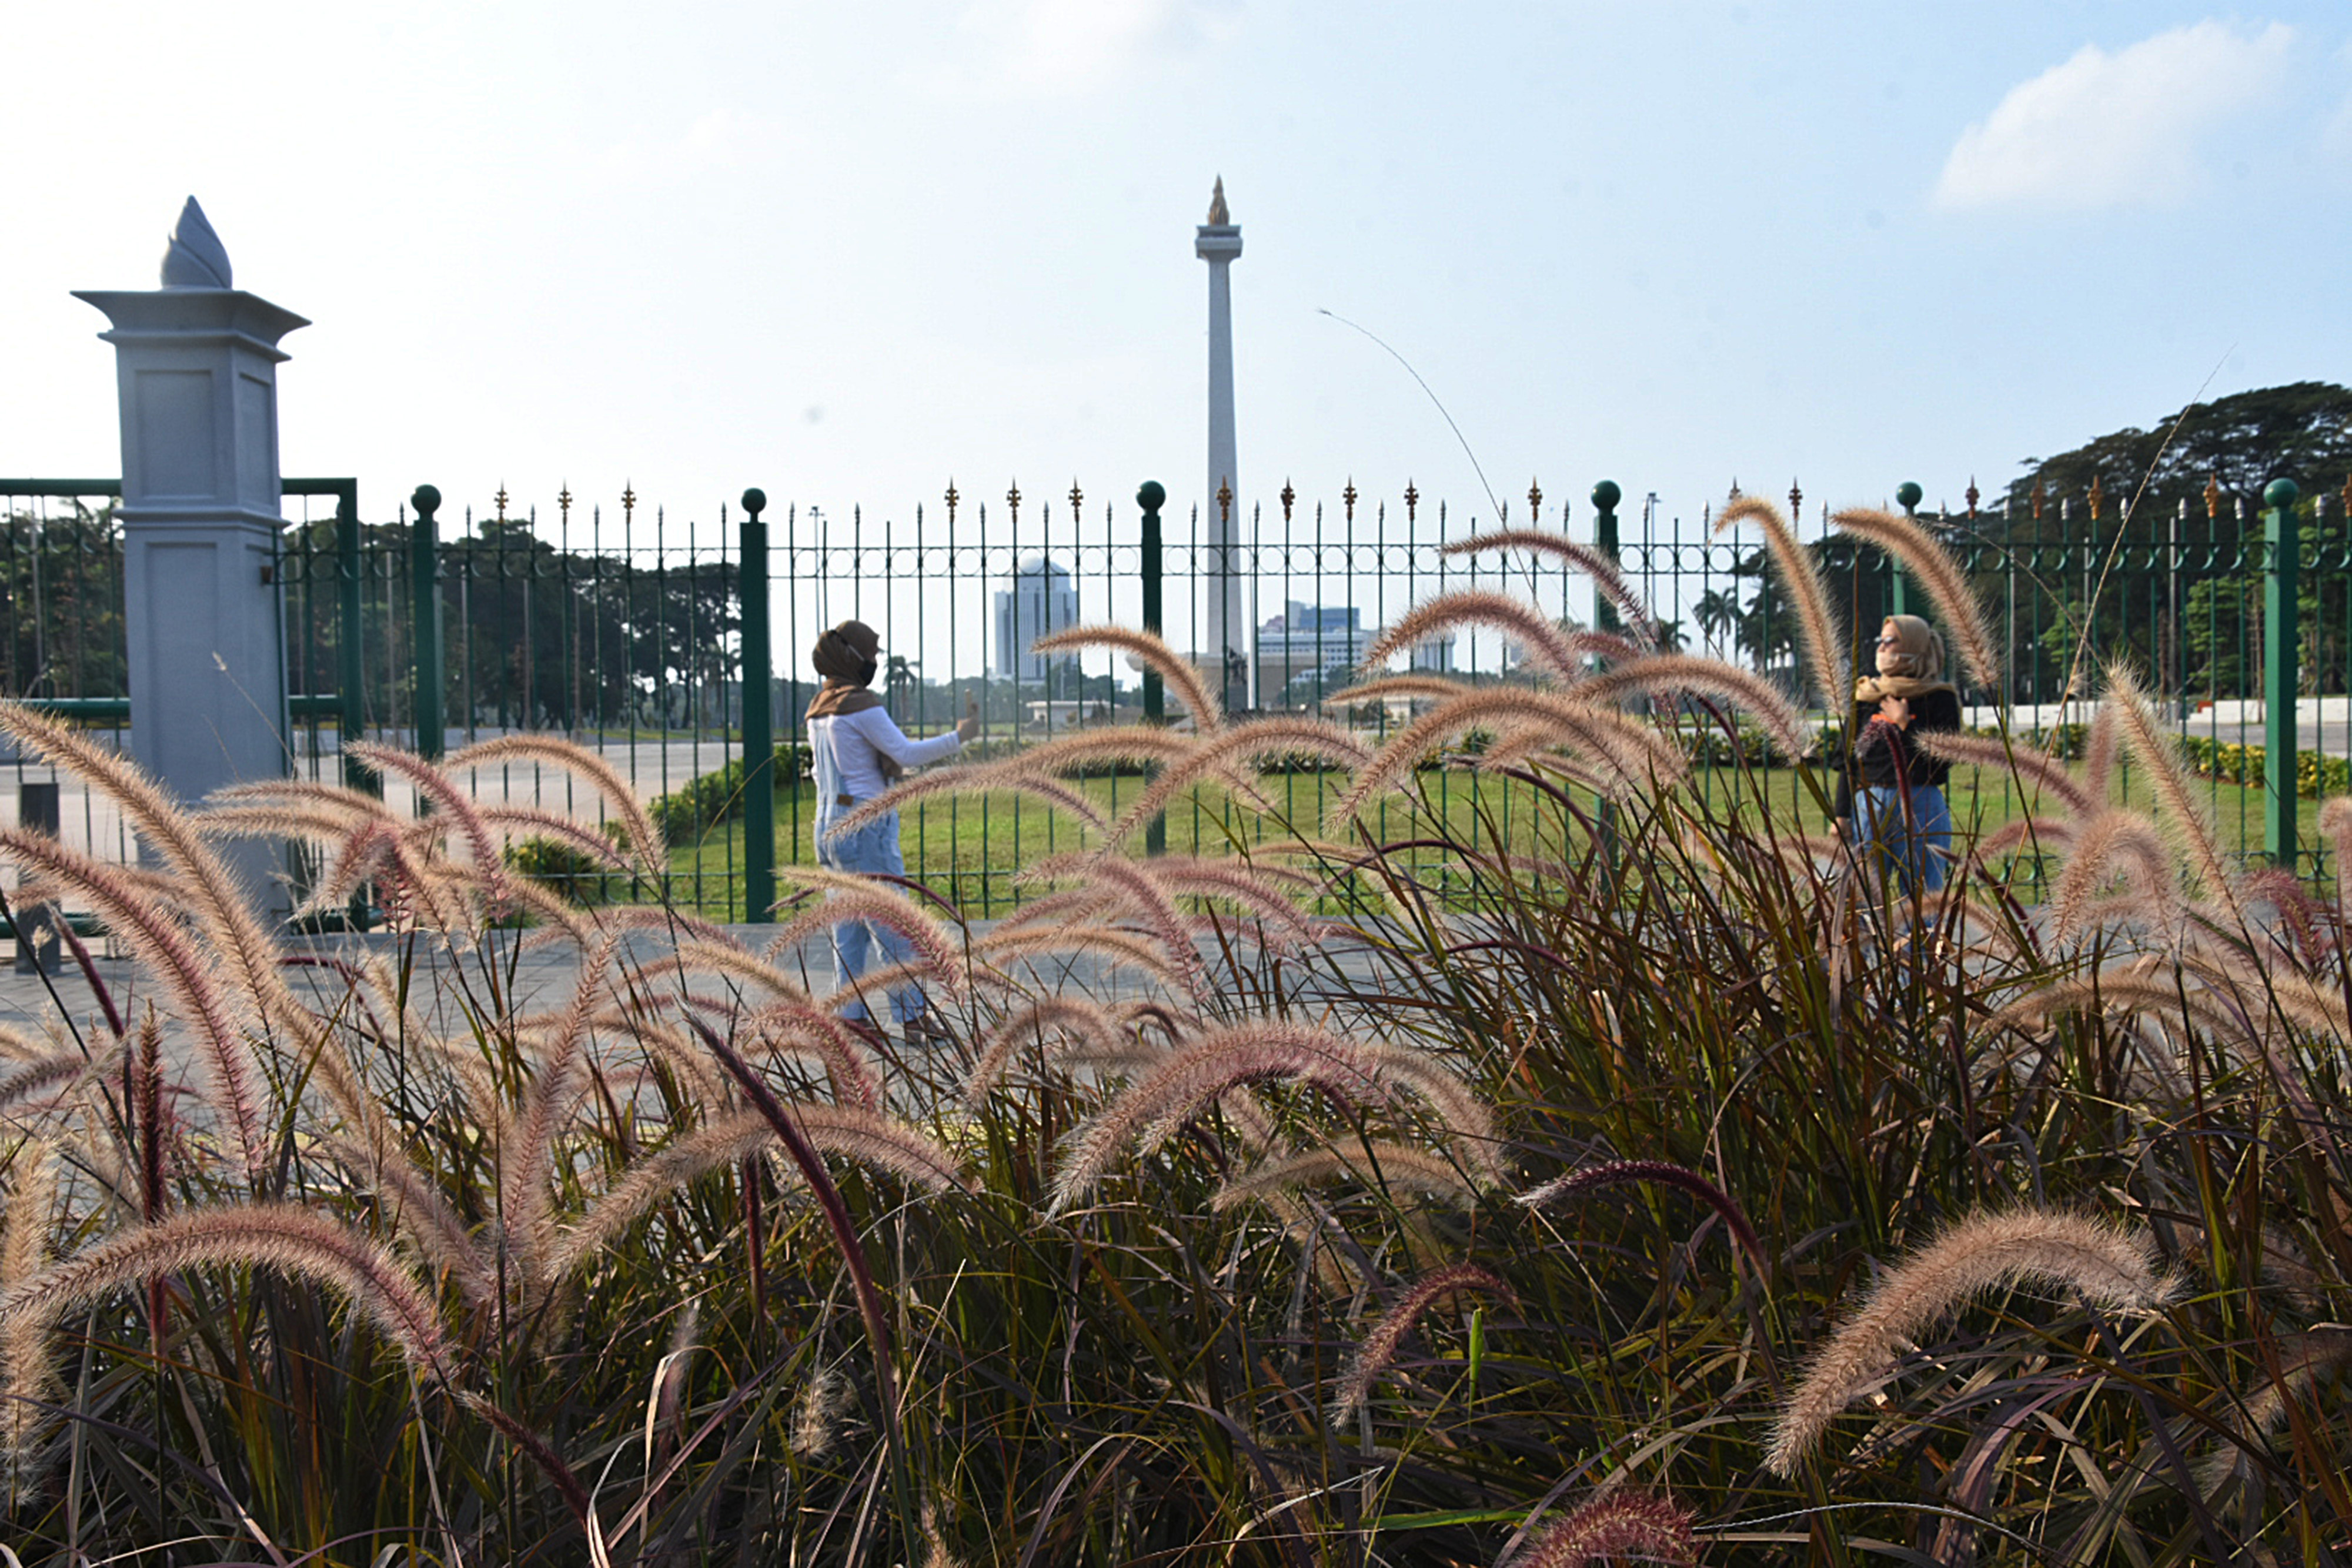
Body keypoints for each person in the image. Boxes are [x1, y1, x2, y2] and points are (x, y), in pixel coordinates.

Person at [804, 620, 975, 1028]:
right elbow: (905, 752)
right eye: (871, 653)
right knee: (892, 924)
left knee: (849, 930)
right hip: (866, 824)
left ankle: (852, 1018)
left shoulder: (818, 709)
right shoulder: (860, 704)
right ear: (851, 656)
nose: (875, 661)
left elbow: (816, 772)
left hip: (827, 824)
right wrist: (960, 736)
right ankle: (913, 1017)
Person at [1833, 614, 1961, 895]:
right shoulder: (1866, 696)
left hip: (1921, 803)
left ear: (1916, 646)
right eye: (1882, 640)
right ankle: (1871, 942)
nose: (1882, 648)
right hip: (1869, 803)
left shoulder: (1940, 698)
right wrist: (1841, 814)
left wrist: (1906, 724)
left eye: (1891, 641)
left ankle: (1917, 942)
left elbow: (1942, 763)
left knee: (1922, 896)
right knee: (1864, 895)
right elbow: (1849, 761)